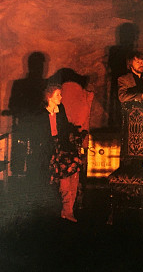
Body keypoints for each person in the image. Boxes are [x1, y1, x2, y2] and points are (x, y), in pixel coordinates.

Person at [33, 83, 87, 222]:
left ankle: (68, 209)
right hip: (48, 148)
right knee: (65, 172)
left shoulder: (60, 108)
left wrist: (70, 142)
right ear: (49, 97)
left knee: (75, 167)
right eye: (58, 95)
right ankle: (67, 210)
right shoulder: (40, 113)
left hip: (62, 146)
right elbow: (38, 137)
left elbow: (65, 129)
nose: (61, 97)